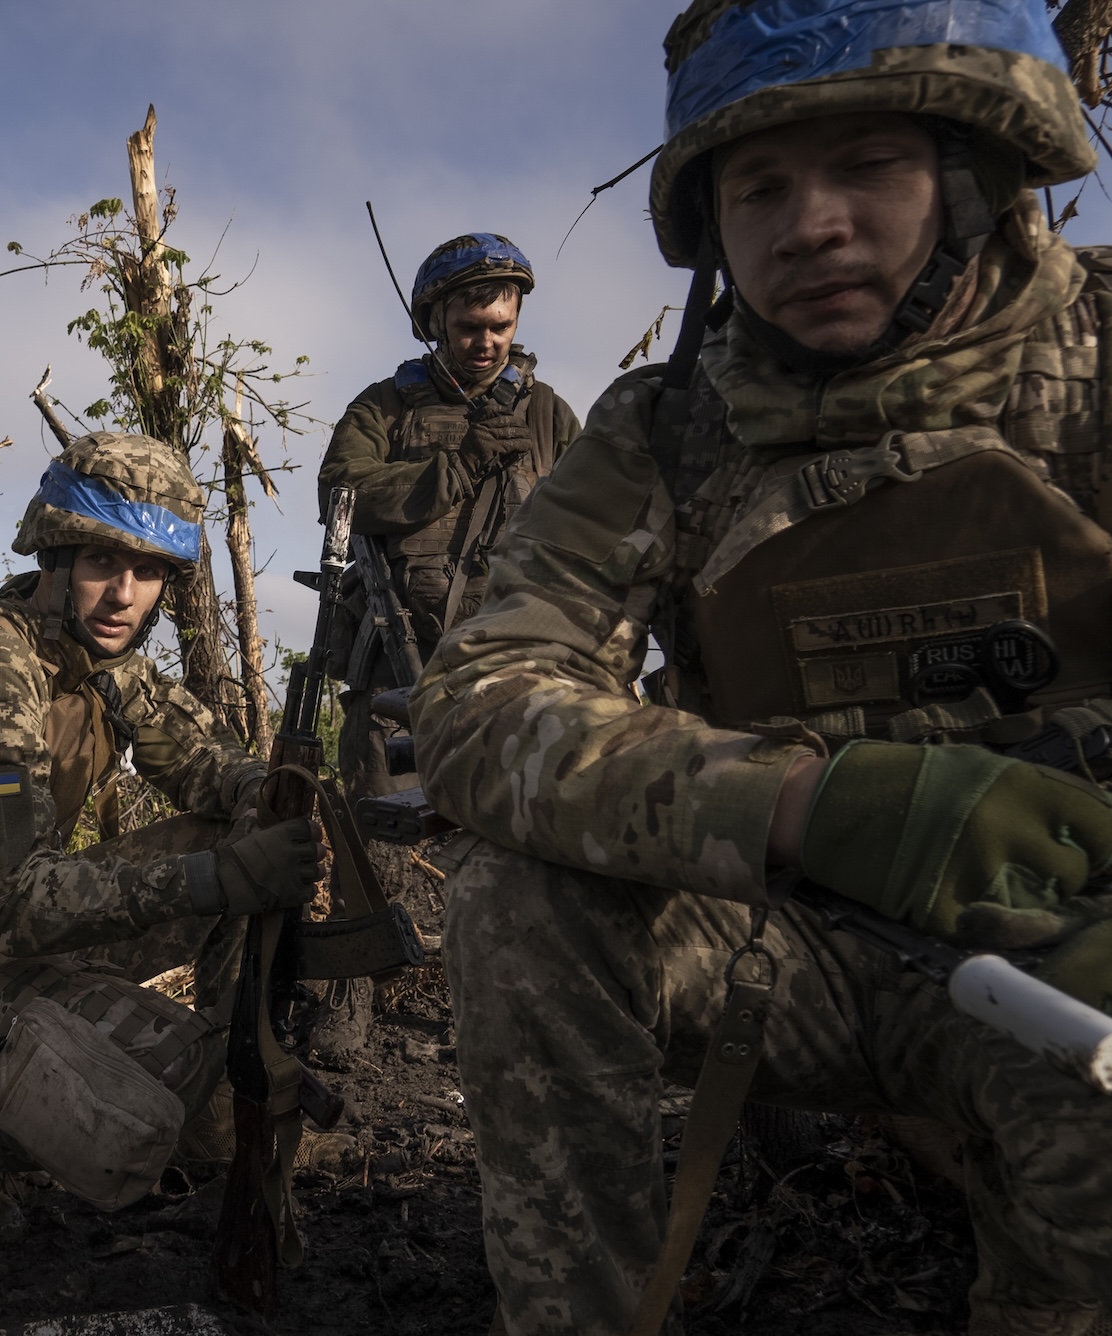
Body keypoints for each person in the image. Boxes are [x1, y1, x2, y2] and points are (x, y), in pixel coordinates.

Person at [411, 2, 1112, 1333]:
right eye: (762, 187)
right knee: (517, 896)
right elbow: (477, 701)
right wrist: (809, 806)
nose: (811, 225)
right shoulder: (669, 429)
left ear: (972, 173)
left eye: (867, 167)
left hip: (1073, 960)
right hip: (804, 948)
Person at [0, 431, 327, 1249]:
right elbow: (18, 905)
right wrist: (224, 878)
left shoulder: (94, 655)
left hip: (6, 934)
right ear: (53, 557)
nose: (125, 594)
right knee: (168, 1074)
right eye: (101, 563)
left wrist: (265, 796)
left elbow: (199, 758)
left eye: (150, 571)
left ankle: (220, 1112)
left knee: (240, 834)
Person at [320, 234, 580, 802]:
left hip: (524, 676)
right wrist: (458, 467)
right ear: (435, 321)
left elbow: (596, 535)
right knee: (393, 860)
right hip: (398, 674)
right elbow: (340, 497)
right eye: (469, 327)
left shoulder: (549, 415)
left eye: (501, 327)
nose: (486, 343)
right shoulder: (384, 407)